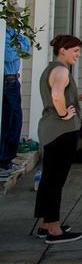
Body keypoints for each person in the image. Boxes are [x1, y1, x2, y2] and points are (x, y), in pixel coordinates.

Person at [33, 35, 82, 242]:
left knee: (49, 178)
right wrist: (63, 115)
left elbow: (59, 95)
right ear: (63, 51)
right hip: (61, 131)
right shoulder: (61, 70)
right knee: (55, 180)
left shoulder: (51, 69)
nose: (78, 55)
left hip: (50, 130)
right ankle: (54, 230)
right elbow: (57, 96)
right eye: (75, 51)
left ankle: (44, 223)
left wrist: (79, 97)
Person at [1, 22, 31, 180]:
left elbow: (28, 45)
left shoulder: (13, 32)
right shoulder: (3, 33)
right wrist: (20, 48)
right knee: (8, 121)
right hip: (7, 82)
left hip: (14, 81)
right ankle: (3, 160)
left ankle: (8, 158)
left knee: (16, 121)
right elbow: (7, 55)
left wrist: (19, 47)